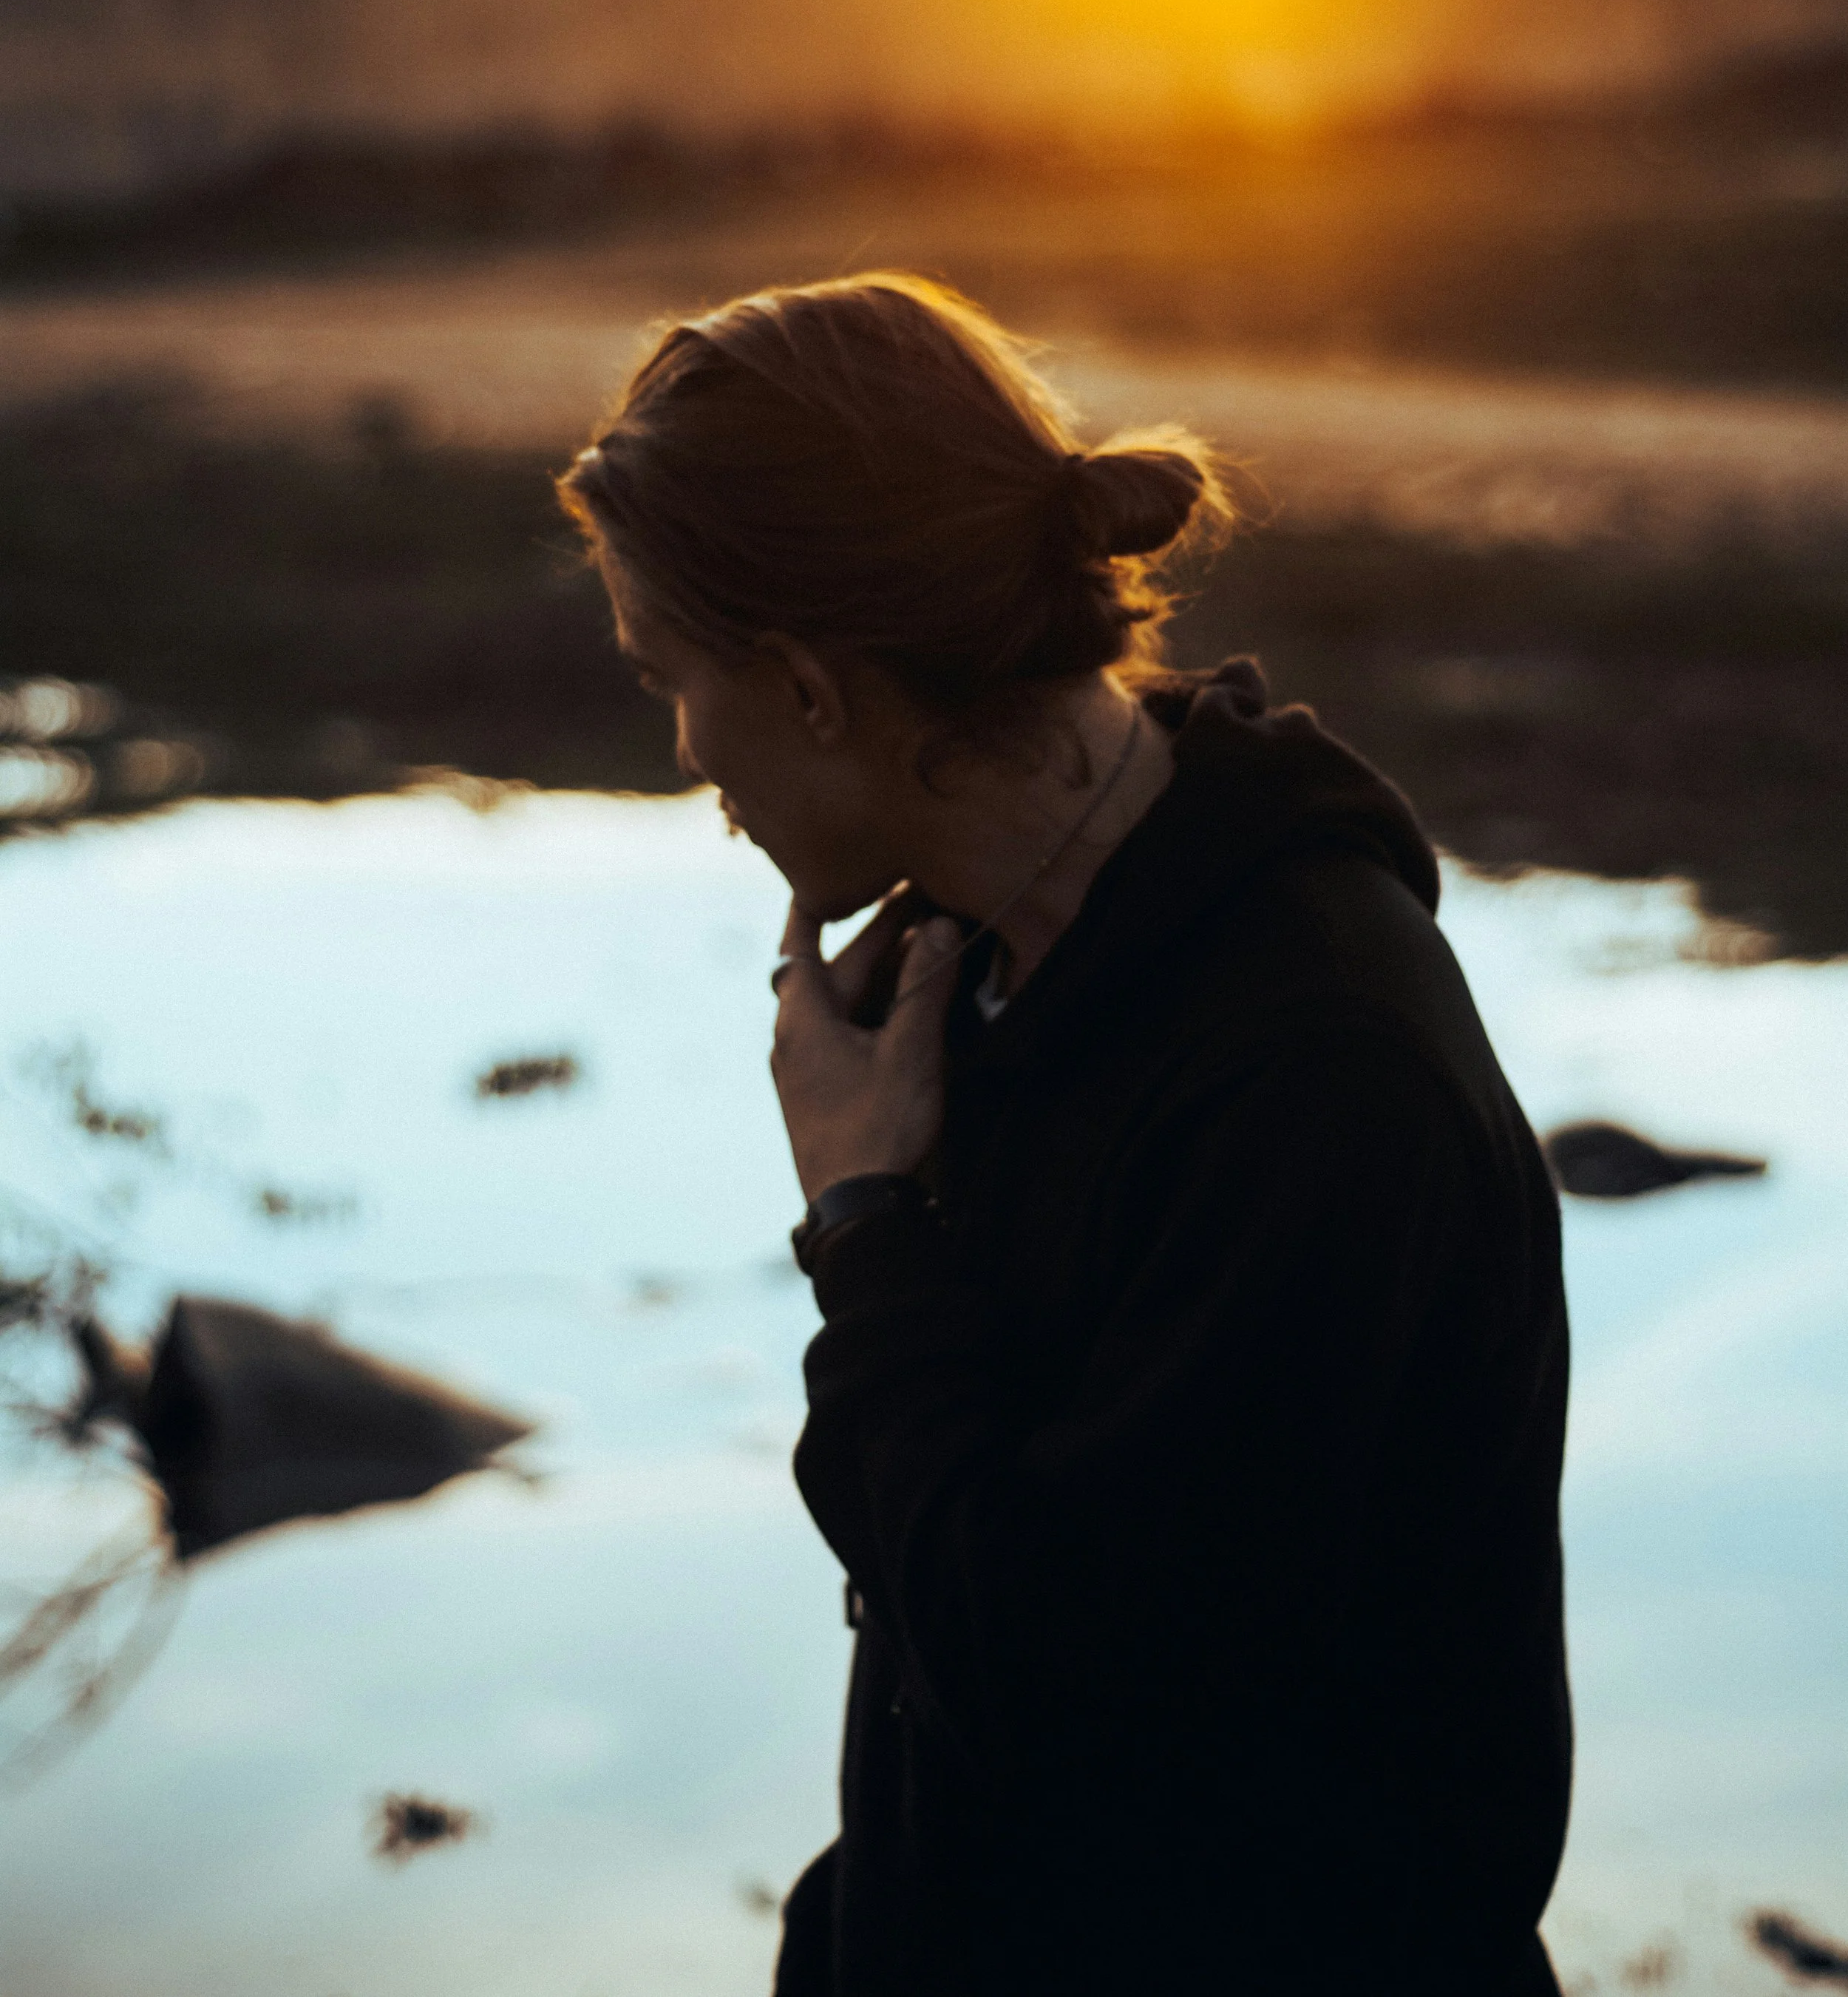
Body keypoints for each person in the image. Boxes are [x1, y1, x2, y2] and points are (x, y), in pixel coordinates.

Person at [560, 274, 1571, 1997]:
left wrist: (867, 1226)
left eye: (673, 682)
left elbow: (1064, 1698)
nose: (685, 757)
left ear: (809, 688)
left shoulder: (1307, 1075)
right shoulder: (1006, 962)